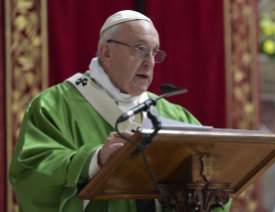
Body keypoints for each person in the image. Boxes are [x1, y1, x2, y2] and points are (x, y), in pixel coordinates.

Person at [9, 10, 232, 212]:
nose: (150, 62)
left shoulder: (173, 114)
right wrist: (94, 160)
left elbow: (212, 179)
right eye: (140, 50)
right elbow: (31, 173)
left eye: (155, 53)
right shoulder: (54, 105)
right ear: (106, 53)